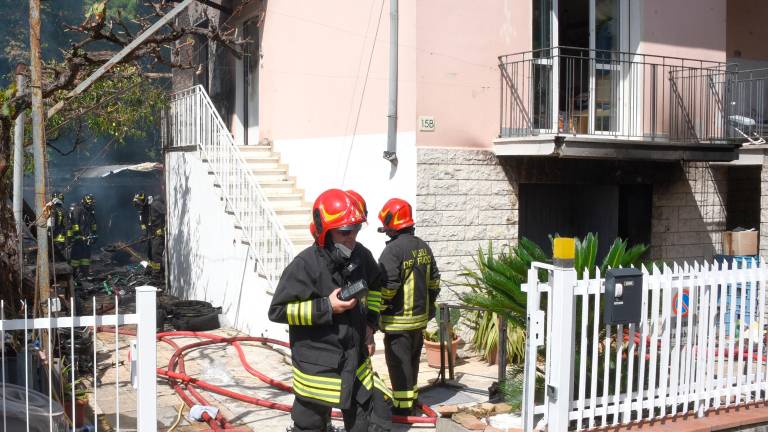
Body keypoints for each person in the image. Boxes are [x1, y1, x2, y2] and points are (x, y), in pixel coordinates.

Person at [269, 189, 389, 432]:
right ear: (325, 232)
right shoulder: (305, 265)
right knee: (310, 424)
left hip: (354, 359)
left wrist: (369, 325)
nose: (352, 237)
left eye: (356, 229)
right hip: (317, 368)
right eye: (344, 232)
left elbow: (376, 287)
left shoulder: (361, 256)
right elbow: (278, 311)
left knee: (372, 421)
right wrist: (326, 307)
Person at [377, 198, 440, 416]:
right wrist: (429, 306)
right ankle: (411, 400)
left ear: (391, 223)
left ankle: (402, 410)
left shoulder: (392, 251)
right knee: (411, 363)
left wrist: (376, 310)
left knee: (398, 367)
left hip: (397, 323)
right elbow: (434, 281)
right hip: (418, 322)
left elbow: (388, 287)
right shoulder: (423, 246)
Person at [132, 192, 166, 272]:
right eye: (136, 204)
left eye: (138, 203)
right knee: (150, 254)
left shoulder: (155, 205)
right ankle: (150, 270)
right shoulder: (142, 213)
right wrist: (144, 236)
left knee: (155, 254)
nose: (138, 206)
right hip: (151, 236)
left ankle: (158, 273)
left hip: (158, 235)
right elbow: (143, 225)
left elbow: (167, 213)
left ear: (143, 201)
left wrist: (163, 228)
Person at [68, 194, 98, 279]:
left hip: (87, 239)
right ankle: (73, 275)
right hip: (78, 239)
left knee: (86, 258)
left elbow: (93, 224)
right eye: (89, 204)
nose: (91, 205)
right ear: (84, 202)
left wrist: (95, 234)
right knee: (75, 259)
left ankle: (85, 274)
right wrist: (78, 236)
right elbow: (75, 224)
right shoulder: (78, 210)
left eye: (91, 204)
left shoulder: (90, 212)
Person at [48, 192, 68, 262]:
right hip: (60, 238)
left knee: (51, 257)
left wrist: (49, 234)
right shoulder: (64, 210)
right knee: (59, 258)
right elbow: (67, 225)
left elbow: (50, 224)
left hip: (52, 237)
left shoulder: (52, 209)